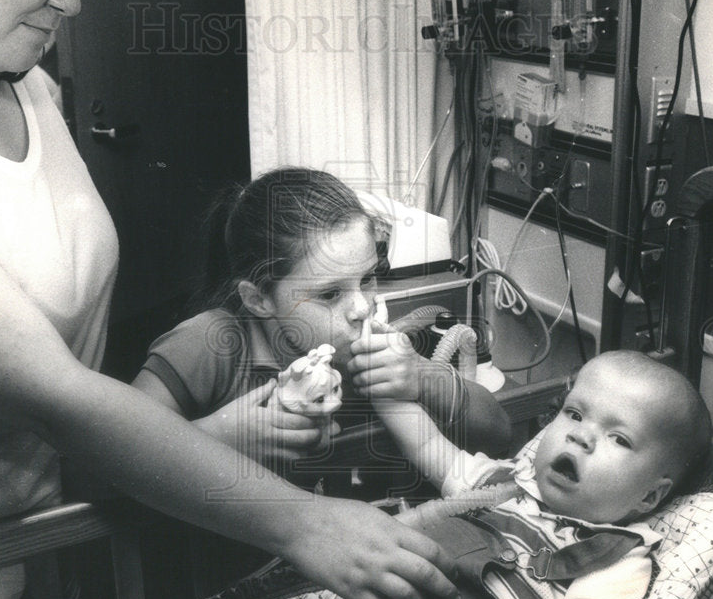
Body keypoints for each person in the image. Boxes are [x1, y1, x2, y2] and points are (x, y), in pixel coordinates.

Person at [0, 0, 461, 599]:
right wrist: (305, 523)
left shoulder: (22, 78)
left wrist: (215, 435)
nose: (73, 0)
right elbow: (54, 392)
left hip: (64, 536)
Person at [127, 350, 712, 599]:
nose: (582, 436)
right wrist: (389, 385)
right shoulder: (498, 481)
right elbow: (430, 445)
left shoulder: (610, 555)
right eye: (576, 414)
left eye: (619, 438)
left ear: (653, 496)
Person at [131, 167, 511, 478]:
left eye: (367, 279)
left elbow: (498, 435)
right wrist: (213, 437)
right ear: (259, 299)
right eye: (330, 294)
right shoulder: (208, 346)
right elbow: (101, 465)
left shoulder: (368, 352)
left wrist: (424, 377)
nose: (361, 307)